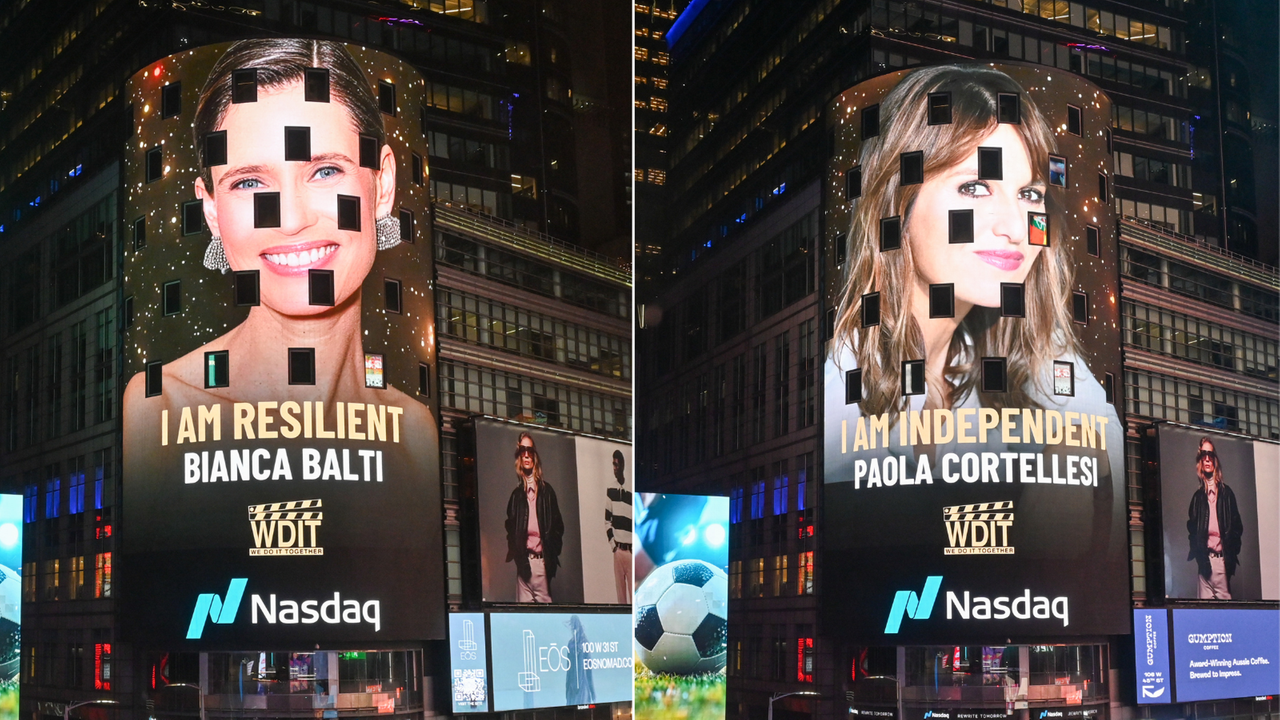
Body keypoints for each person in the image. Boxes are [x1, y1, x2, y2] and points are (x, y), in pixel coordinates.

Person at [123, 38, 436, 461]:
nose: (290, 220)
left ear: (381, 185)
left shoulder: (415, 433)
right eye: (249, 183)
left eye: (325, 171)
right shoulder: (157, 407)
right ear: (211, 209)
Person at [826, 64, 1122, 478]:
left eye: (1029, 194)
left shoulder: (1015, 342)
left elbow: (1106, 438)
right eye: (974, 188)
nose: (1017, 228)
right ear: (897, 204)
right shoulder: (839, 377)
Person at [504, 432, 564, 603]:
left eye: (530, 450)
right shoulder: (516, 496)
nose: (526, 455)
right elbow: (510, 529)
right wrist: (520, 560)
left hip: (541, 565)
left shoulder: (547, 492)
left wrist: (550, 559)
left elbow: (558, 527)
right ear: (519, 456)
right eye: (522, 450)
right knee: (524, 620)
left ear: (534, 455)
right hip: (524, 566)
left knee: (546, 620)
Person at [1186, 437, 1243, 599]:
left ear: (1215, 459)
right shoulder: (1198, 498)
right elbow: (1192, 531)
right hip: (1204, 564)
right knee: (1204, 616)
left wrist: (1229, 558)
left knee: (1225, 615)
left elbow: (1237, 529)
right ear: (1199, 461)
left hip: (1222, 564)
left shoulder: (1226, 494)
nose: (1207, 459)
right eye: (1203, 454)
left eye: (1210, 454)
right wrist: (1200, 559)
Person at [604, 449, 633, 603]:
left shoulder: (631, 490)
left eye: (617, 464)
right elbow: (607, 520)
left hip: (631, 551)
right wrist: (613, 546)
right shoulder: (611, 490)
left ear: (622, 465)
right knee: (621, 597)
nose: (614, 468)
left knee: (633, 594)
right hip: (619, 550)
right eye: (613, 464)